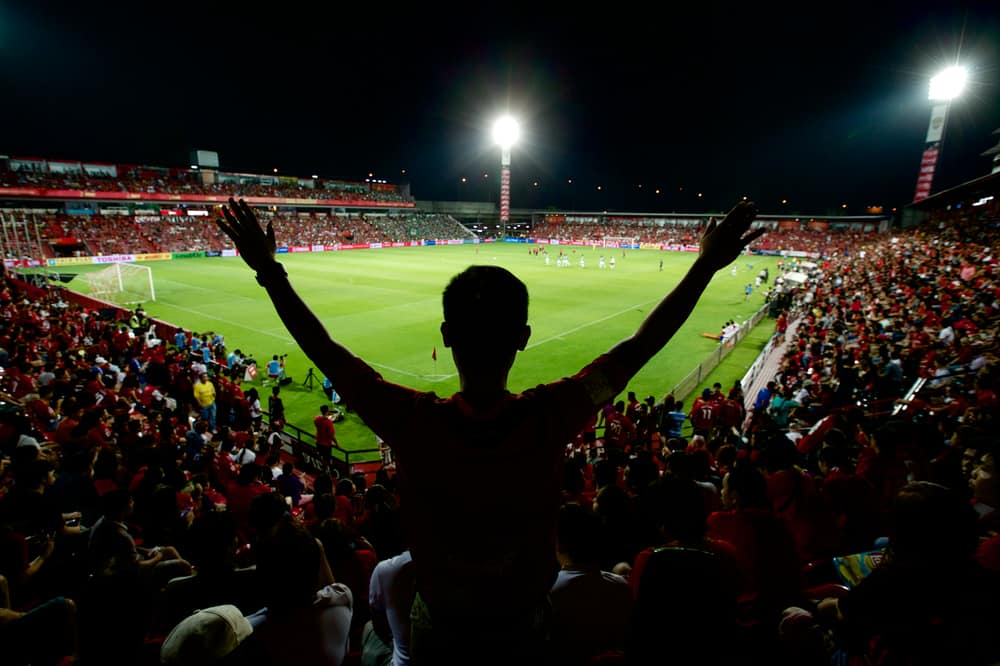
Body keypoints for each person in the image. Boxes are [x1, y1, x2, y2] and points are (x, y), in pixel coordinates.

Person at [219, 197, 763, 662]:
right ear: (524, 337)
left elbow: (329, 355)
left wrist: (270, 271)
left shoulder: (410, 421)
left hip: (440, 630)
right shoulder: (552, 416)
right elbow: (638, 349)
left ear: (447, 334)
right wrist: (704, 266)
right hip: (524, 629)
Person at [314, 405, 339, 471]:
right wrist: (337, 443)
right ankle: (325, 473)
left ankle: (324, 470)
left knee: (321, 457)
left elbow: (319, 417)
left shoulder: (316, 419)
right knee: (327, 460)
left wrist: (326, 414)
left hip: (318, 442)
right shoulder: (328, 422)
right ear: (327, 411)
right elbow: (331, 435)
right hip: (326, 445)